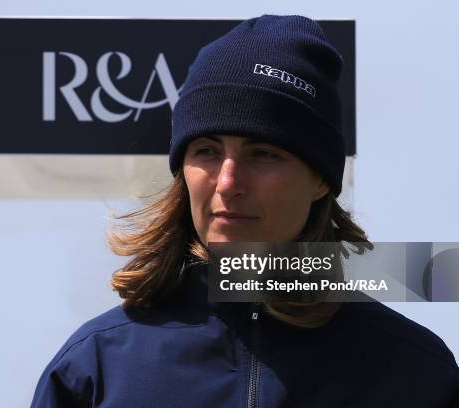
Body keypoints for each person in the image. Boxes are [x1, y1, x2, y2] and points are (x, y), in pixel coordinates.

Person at [30, 14, 459, 407]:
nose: (228, 182)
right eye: (206, 151)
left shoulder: (414, 371)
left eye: (265, 154)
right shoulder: (96, 366)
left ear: (322, 180)